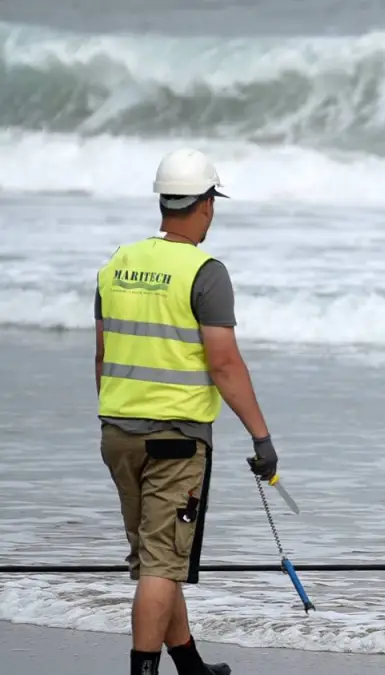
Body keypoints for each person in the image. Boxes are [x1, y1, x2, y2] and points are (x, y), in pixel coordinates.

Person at [94, 148, 280, 675]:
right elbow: (223, 364)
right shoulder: (205, 272)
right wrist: (261, 439)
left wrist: (116, 416)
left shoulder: (118, 264)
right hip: (175, 438)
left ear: (163, 200)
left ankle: (190, 666)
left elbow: (103, 356)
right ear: (205, 205)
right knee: (161, 563)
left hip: (118, 434)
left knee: (156, 559)